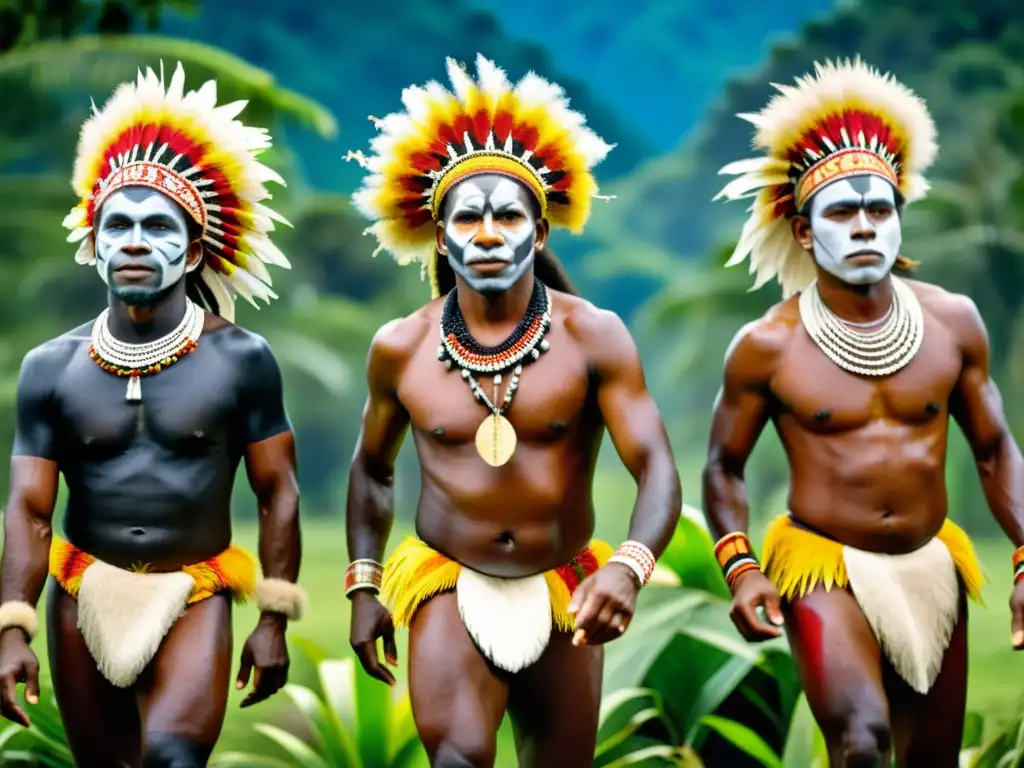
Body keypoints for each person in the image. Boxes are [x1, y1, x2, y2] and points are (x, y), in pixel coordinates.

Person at [343, 54, 681, 766]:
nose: (489, 234)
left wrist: (626, 567)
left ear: (542, 232)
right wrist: (365, 585)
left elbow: (654, 465)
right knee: (460, 757)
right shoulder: (400, 347)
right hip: (447, 574)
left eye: (508, 215)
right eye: (468, 217)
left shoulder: (595, 336)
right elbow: (372, 469)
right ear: (440, 235)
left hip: (564, 580)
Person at [703, 56, 1024, 766]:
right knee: (861, 740)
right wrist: (743, 568)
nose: (865, 227)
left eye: (879, 209)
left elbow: (996, 448)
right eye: (842, 212)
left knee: (930, 757)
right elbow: (723, 466)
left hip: (933, 562)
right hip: (823, 566)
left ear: (899, 221)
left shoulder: (953, 323)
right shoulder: (766, 348)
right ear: (808, 233)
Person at [0, 63, 308, 767]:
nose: (135, 242)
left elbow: (278, 491)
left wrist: (274, 616)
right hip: (81, 591)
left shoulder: (241, 360)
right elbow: (28, 507)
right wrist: (11, 627)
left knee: (174, 757)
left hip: (194, 591)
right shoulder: (52, 367)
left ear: (194, 248)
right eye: (120, 227)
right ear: (96, 244)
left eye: (157, 226)